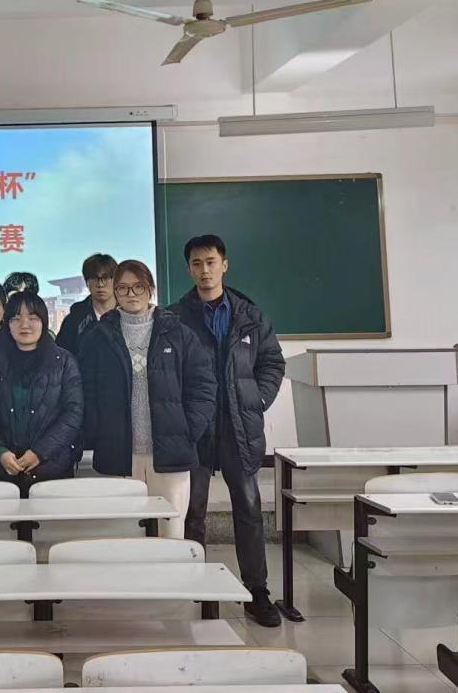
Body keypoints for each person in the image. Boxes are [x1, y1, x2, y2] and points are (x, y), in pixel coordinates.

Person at [177, 234, 286, 627]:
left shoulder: (250, 316)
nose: (204, 270)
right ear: (189, 269)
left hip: (240, 428)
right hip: (196, 430)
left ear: (224, 265)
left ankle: (257, 591)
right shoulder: (176, 318)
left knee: (249, 509)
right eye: (196, 264)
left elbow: (272, 362)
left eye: (211, 262)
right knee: (192, 511)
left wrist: (257, 398)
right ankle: (193, 587)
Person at [79, 259, 215, 540]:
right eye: (123, 288)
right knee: (123, 534)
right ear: (115, 292)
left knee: (170, 531)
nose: (131, 294)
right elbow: (87, 392)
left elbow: (203, 386)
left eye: (138, 287)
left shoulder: (178, 333)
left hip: (170, 453)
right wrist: (98, 431)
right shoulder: (98, 337)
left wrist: (188, 430)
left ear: (150, 288)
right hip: (118, 452)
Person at [0, 292, 83, 496]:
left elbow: (73, 414)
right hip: (5, 470)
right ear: (7, 324)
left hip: (53, 468)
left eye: (33, 318)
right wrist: (0, 452)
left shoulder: (63, 361)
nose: (24, 325)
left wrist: (40, 453)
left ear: (43, 322)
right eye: (16, 318)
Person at [57, 253, 117, 356]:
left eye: (105, 278)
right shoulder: (73, 320)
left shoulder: (127, 315)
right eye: (94, 278)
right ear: (86, 282)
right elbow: (62, 357)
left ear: (116, 280)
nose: (100, 284)